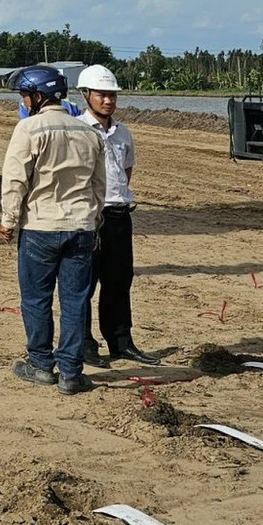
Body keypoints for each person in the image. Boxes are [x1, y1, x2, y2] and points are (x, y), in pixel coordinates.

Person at [0, 64, 107, 395]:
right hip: (81, 228)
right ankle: (71, 374)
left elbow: (15, 179)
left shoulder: (29, 130)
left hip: (40, 228)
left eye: (24, 95)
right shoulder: (89, 133)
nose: (23, 102)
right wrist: (94, 220)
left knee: (36, 298)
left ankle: (41, 365)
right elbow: (99, 186)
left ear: (37, 96)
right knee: (75, 301)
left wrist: (8, 220)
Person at [77, 64, 152, 365]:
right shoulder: (78, 131)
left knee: (120, 281)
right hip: (91, 218)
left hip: (120, 216)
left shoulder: (123, 133)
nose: (108, 101)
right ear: (86, 95)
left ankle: (121, 342)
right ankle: (83, 344)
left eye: (112, 96)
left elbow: (127, 170)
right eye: (102, 95)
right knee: (83, 283)